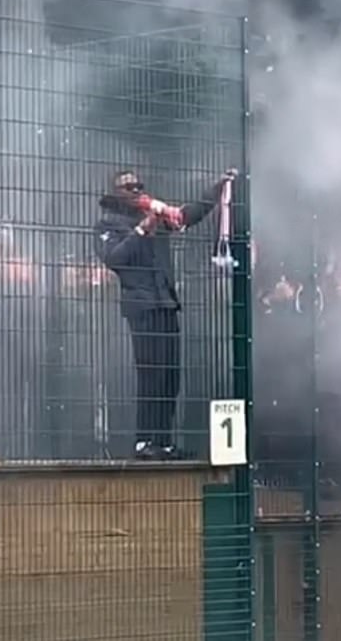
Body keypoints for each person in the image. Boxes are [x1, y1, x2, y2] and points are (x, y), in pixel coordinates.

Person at [94, 167, 237, 460]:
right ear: (115, 192)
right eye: (128, 186)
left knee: (170, 376)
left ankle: (164, 441)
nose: (135, 190)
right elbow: (114, 259)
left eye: (138, 185)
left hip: (167, 304)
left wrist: (217, 189)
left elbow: (188, 215)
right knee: (150, 375)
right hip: (141, 307)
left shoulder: (158, 214)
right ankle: (144, 441)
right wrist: (141, 230)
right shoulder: (108, 224)